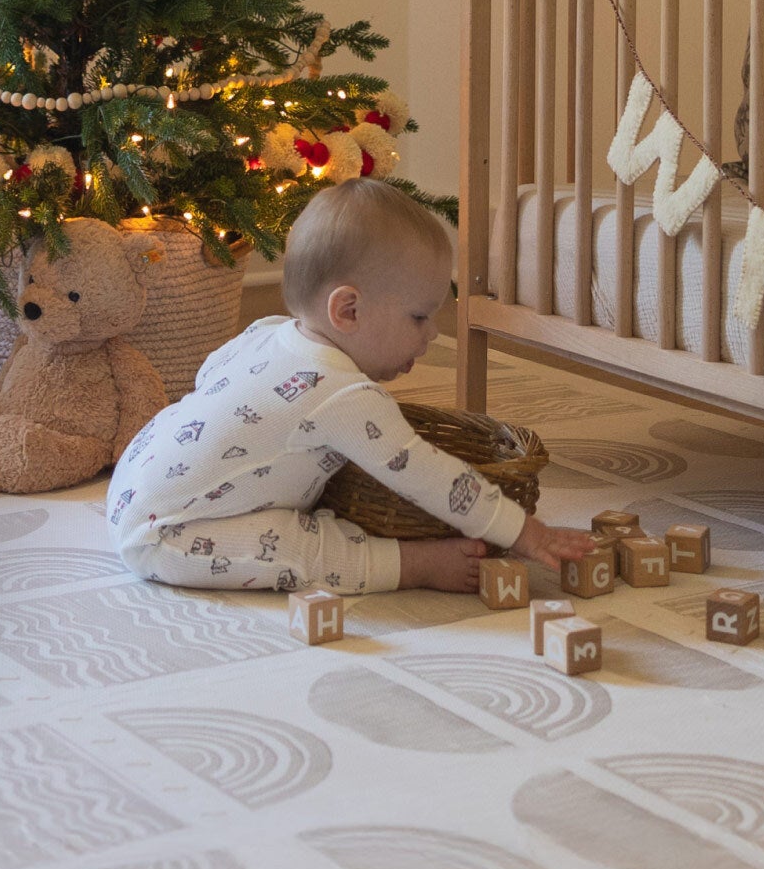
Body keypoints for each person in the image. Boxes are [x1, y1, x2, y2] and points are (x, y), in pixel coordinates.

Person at [110, 178, 602, 593]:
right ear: (348, 311)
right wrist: (529, 535)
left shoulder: (265, 331)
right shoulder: (345, 395)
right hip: (165, 537)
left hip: (133, 483)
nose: (432, 333)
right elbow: (433, 478)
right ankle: (415, 566)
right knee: (301, 546)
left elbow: (209, 377)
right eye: (419, 317)